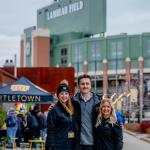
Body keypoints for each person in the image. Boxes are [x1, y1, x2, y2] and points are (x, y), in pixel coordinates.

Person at [45, 80, 79, 150]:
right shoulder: (54, 110)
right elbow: (50, 130)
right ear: (58, 95)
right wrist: (52, 146)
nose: (64, 96)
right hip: (58, 145)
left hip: (70, 145)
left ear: (69, 95)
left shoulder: (71, 108)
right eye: (62, 94)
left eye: (66, 93)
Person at [72, 74, 100, 150]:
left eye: (87, 84)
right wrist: (53, 107)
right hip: (77, 143)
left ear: (91, 85)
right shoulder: (73, 101)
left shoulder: (98, 102)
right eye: (82, 84)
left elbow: (107, 115)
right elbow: (63, 107)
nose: (85, 86)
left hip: (93, 143)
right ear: (78, 86)